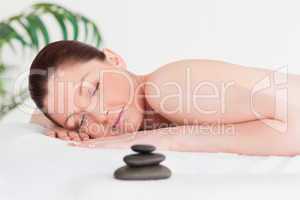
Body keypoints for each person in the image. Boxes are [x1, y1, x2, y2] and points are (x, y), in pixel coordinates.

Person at [29, 40, 300, 156]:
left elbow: (294, 127)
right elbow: (37, 114)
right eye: (80, 121)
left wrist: (170, 139)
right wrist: (59, 125)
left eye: (94, 89)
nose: (100, 116)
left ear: (114, 60)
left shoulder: (165, 88)